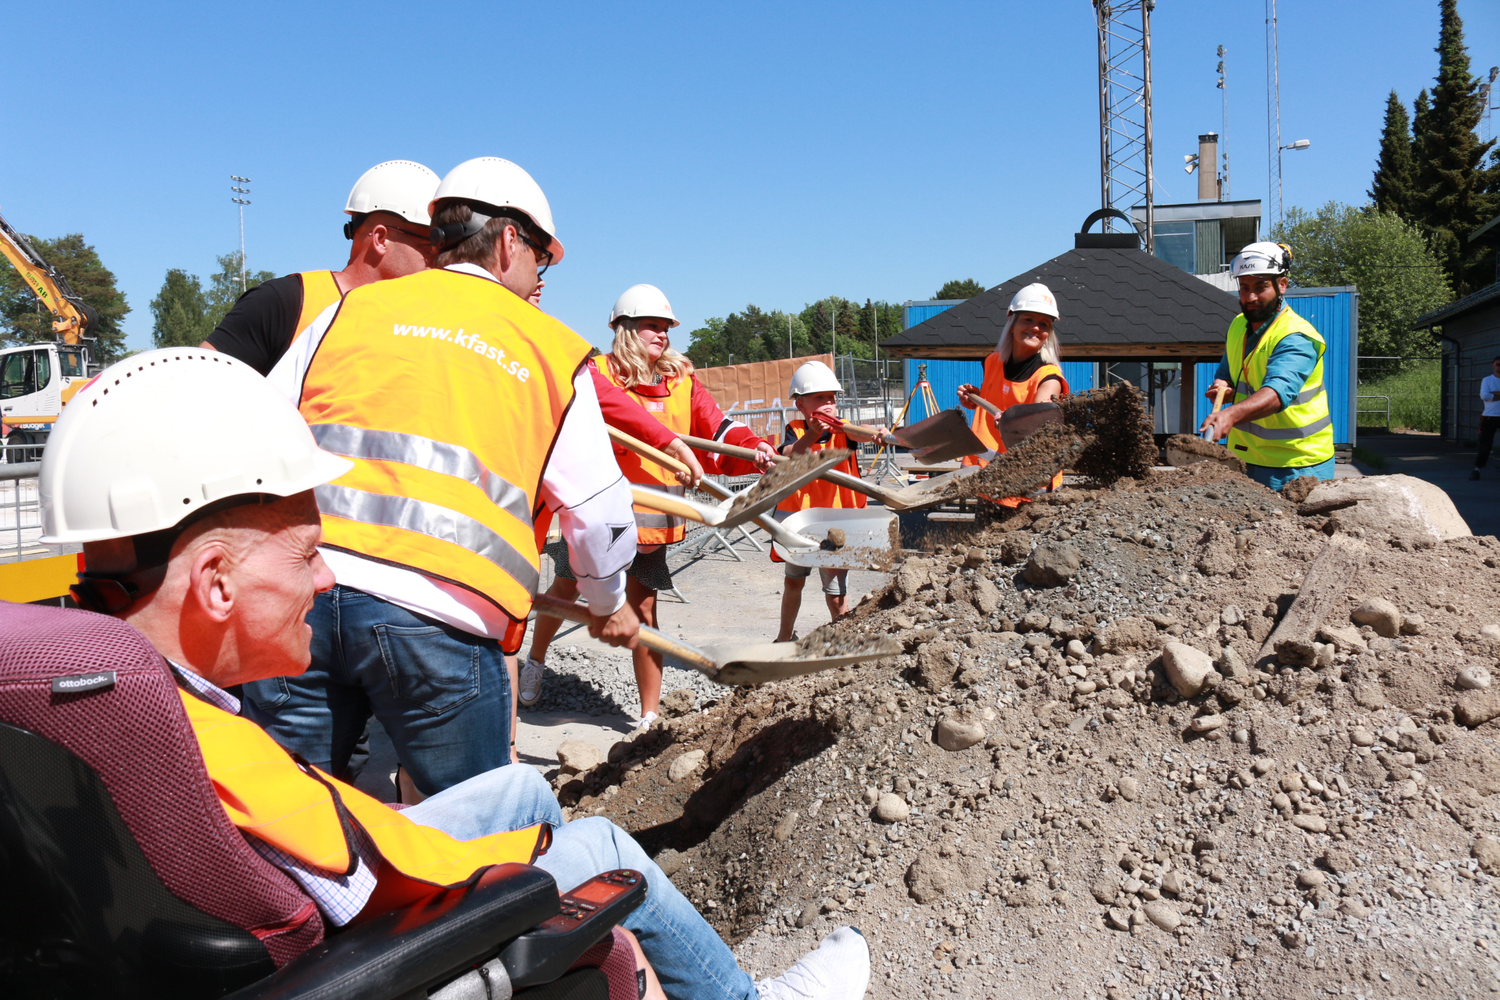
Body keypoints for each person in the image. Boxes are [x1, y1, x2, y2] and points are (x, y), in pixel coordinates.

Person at [34, 348, 871, 1000]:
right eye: (309, 555)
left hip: (322, 869)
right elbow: (383, 869)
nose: (328, 582)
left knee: (521, 791)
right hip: (373, 932)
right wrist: (541, 859)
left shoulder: (88, 674)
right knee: (601, 843)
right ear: (215, 582)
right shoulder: (215, 747)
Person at [242, 157, 643, 800]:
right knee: (476, 835)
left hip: (300, 600)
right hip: (437, 622)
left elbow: (256, 439)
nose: (541, 273)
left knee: (290, 822)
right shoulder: (546, 347)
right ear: (511, 240)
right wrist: (607, 602)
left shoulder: (345, 314)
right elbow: (598, 512)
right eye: (543, 257)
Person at [521, 284, 774, 726]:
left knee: (644, 611)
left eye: (665, 328)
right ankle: (536, 661)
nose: (661, 335)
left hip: (652, 525)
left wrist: (752, 448)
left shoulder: (680, 381)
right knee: (565, 590)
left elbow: (716, 429)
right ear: (624, 329)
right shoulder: (595, 373)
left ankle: (649, 716)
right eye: (650, 327)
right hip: (598, 518)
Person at [203, 160, 441, 376]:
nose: (438, 257)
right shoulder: (285, 303)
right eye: (429, 244)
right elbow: (197, 382)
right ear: (381, 239)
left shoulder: (425, 328)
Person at [1199, 241, 1336, 491]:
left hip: (1296, 464)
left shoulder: (1296, 337)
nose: (1250, 297)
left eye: (1261, 287)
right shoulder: (1239, 325)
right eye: (1244, 287)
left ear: (1281, 285)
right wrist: (1222, 386)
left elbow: (1276, 393)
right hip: (1244, 458)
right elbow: (1228, 373)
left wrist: (1229, 414)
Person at [772, 360, 888, 642]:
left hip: (836, 526)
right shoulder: (796, 430)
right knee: (793, 583)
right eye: (819, 398)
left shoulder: (844, 430)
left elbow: (858, 431)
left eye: (832, 399)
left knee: (836, 594)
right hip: (799, 525)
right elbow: (790, 454)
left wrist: (876, 434)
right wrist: (812, 433)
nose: (828, 404)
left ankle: (843, 640)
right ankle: (784, 637)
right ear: (801, 405)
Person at [955, 282, 1069, 505]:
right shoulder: (992, 362)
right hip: (988, 477)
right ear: (1012, 321)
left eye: (1043, 323)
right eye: (1028, 319)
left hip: (1028, 486)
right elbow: (997, 398)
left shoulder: (1048, 378)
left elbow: (1038, 432)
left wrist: (1013, 425)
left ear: (1049, 333)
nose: (1035, 327)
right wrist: (975, 399)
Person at [1472, 356, 1500, 480]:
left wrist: (1494, 393)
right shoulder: (1487, 380)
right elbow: (1484, 395)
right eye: (1498, 364)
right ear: (1493, 365)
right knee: (1485, 445)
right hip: (1490, 416)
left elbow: (1489, 395)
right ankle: (1477, 469)